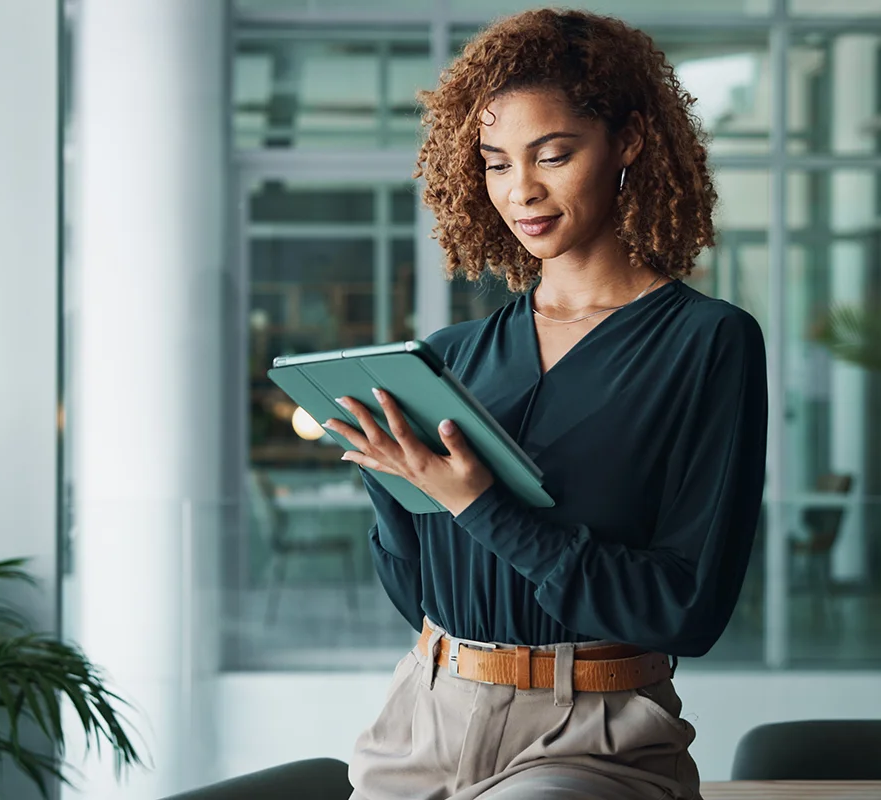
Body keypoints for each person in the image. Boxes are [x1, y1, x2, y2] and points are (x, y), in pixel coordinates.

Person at [321, 8, 768, 800]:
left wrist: (481, 505)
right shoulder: (453, 355)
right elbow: (421, 594)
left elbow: (688, 610)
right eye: (495, 163)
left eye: (553, 155)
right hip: (425, 716)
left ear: (628, 141)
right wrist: (388, 475)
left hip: (591, 731)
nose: (521, 190)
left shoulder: (708, 343)